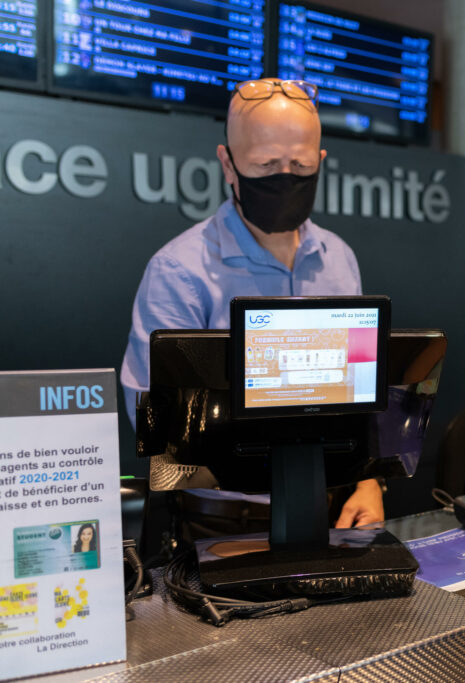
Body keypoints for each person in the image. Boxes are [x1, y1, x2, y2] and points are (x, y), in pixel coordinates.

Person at [121, 79, 383, 530]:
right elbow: (157, 424)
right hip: (219, 523)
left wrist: (367, 482)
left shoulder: (338, 258)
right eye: (265, 165)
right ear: (228, 163)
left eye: (299, 164)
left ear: (320, 162)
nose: (285, 176)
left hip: (330, 510)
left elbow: (358, 392)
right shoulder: (179, 271)